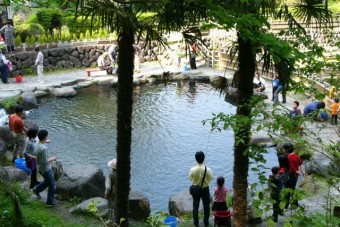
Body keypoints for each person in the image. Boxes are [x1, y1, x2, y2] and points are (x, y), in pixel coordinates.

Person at [32, 129, 57, 206]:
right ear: (45, 137)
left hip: (39, 168)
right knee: (52, 184)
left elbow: (36, 154)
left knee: (47, 181)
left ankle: (36, 189)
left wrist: (46, 142)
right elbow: (44, 161)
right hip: (45, 169)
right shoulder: (44, 148)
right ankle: (50, 202)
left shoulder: (36, 144)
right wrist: (52, 159)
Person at [189, 151, 213, 227]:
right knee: (206, 206)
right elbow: (211, 178)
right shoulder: (208, 169)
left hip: (196, 189)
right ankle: (206, 222)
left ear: (195, 159)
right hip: (205, 189)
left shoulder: (192, 169)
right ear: (204, 158)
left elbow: (190, 178)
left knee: (195, 206)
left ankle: (196, 223)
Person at [284, 143, 306, 209]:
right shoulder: (295, 155)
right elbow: (301, 163)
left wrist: (296, 171)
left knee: (287, 190)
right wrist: (303, 171)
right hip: (295, 176)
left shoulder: (288, 157)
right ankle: (295, 203)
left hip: (289, 175)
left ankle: (286, 204)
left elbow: (290, 167)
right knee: (293, 189)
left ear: (286, 150)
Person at [105, 158, 117, 225]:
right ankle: (117, 221)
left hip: (112, 195)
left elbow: (108, 187)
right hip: (120, 194)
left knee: (110, 207)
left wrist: (106, 195)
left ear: (112, 168)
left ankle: (110, 221)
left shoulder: (110, 175)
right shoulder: (123, 175)